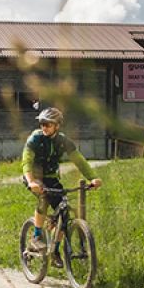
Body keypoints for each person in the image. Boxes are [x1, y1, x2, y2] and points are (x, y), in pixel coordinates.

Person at [22, 108, 103, 267]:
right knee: (44, 198)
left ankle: (55, 251)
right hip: (35, 178)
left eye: (48, 124)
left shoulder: (63, 141)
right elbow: (26, 161)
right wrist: (31, 181)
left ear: (57, 126)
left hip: (52, 179)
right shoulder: (35, 139)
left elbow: (79, 160)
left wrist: (92, 177)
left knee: (64, 215)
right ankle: (37, 236)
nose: (44, 127)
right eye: (42, 124)